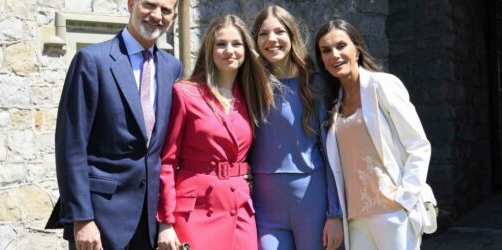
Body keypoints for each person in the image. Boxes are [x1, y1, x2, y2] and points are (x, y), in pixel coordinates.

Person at [47, 0, 182, 249]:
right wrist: (82, 218)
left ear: (173, 16)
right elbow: (71, 146)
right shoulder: (92, 60)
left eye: (165, 10)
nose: (156, 15)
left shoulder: (172, 68)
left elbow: (171, 148)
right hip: (100, 219)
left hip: (151, 221)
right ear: (131, 5)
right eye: (149, 5)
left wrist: (167, 218)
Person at [156, 15, 274, 250]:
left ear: (246, 50)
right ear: (210, 49)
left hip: (240, 209)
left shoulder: (252, 95)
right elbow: (167, 161)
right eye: (221, 44)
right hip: (196, 211)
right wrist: (165, 223)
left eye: (236, 44)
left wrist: (247, 169)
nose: (229, 50)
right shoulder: (185, 93)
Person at [315, 19, 432, 250]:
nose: (334, 55)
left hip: (392, 212)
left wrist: (405, 199)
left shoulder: (383, 85)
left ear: (356, 50)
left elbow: (418, 145)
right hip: (356, 219)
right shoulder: (333, 104)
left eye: (341, 46)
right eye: (326, 50)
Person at [250, 5, 343, 250]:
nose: (272, 40)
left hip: (311, 199)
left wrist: (335, 213)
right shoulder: (250, 85)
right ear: (255, 40)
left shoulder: (315, 85)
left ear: (292, 35)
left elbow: (330, 150)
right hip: (265, 205)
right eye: (263, 34)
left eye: (279, 31)